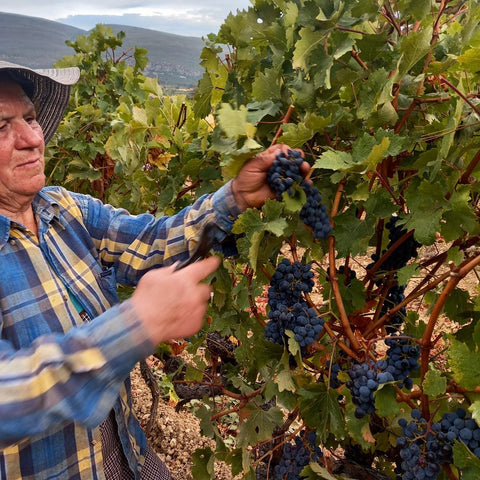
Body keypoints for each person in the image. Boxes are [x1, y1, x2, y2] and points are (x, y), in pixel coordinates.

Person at [0, 61, 309, 480]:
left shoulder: (63, 208)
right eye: (2, 126)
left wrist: (234, 197)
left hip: (132, 459)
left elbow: (152, 241)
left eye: (31, 118)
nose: (31, 139)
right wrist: (135, 325)